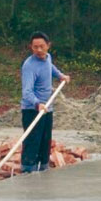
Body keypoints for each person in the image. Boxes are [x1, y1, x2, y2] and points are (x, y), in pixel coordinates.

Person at [20, 31, 70, 173]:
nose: (39, 50)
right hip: (32, 109)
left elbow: (50, 67)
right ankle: (27, 172)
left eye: (42, 46)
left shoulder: (47, 58)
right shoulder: (29, 65)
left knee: (45, 141)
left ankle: (43, 170)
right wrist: (37, 104)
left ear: (48, 45)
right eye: (35, 47)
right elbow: (26, 92)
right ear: (31, 47)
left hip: (47, 108)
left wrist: (60, 75)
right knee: (32, 142)